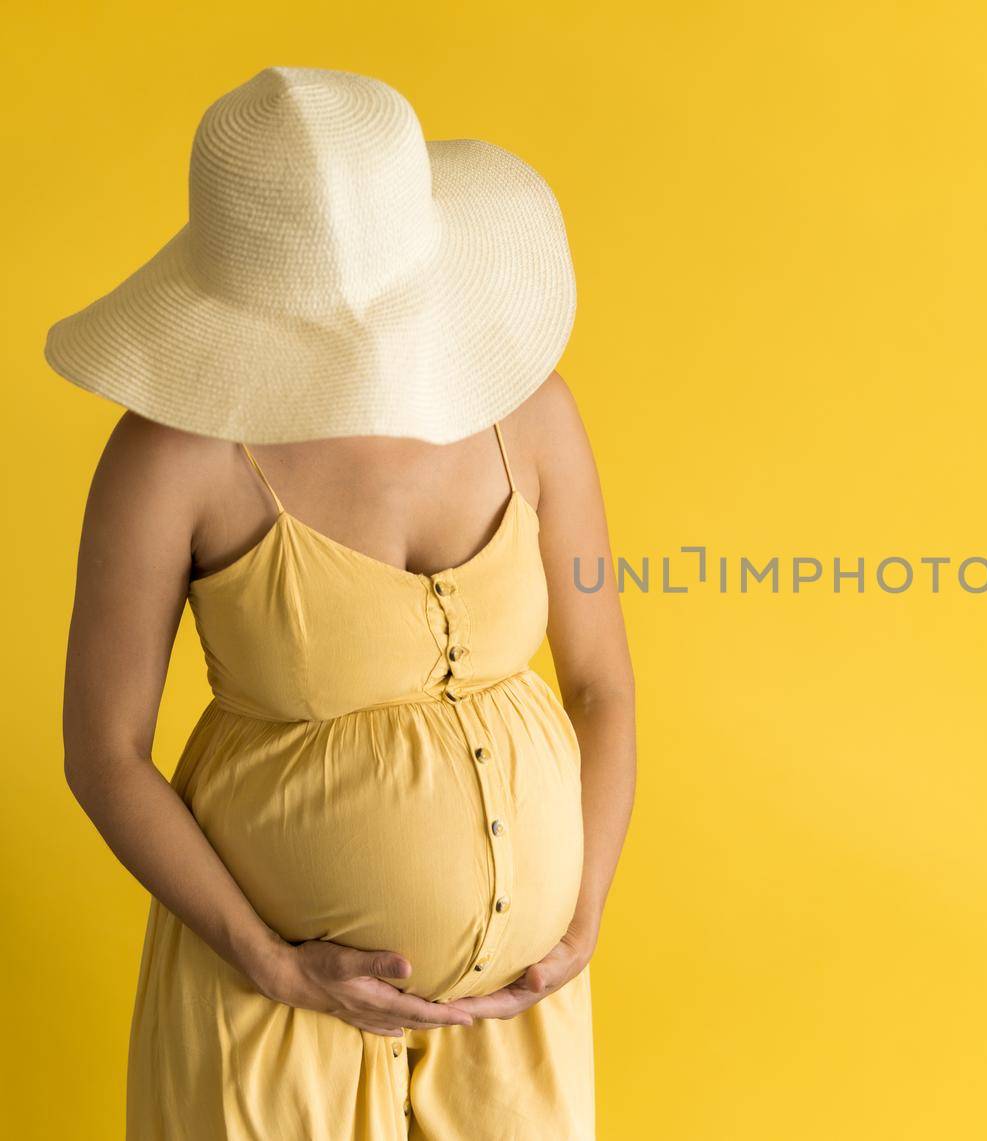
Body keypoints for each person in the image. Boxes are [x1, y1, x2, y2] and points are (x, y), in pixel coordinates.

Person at [47, 66, 635, 1139]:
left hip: (515, 1023)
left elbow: (600, 684)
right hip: (268, 1008)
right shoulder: (171, 459)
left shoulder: (533, 409)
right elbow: (103, 751)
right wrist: (268, 960)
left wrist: (579, 909)